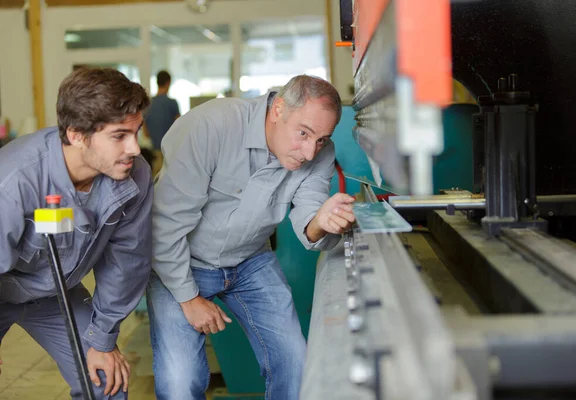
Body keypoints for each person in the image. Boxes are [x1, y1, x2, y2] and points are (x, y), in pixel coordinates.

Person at [148, 75, 356, 400]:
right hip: (180, 259)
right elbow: (166, 225)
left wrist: (324, 220)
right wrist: (189, 300)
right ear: (278, 109)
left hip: (249, 259)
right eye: (303, 133)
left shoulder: (320, 152)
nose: (310, 151)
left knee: (295, 362)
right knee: (180, 381)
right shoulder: (212, 126)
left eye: (321, 139)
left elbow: (309, 219)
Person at [0, 67, 153, 399]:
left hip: (55, 293)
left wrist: (103, 339)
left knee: (107, 383)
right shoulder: (13, 180)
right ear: (77, 135)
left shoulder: (134, 175)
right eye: (119, 136)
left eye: (137, 131)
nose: (135, 149)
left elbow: (127, 263)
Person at [143, 70, 180, 175]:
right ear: (168, 83)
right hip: (169, 154)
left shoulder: (148, 103)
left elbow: (146, 134)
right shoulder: (172, 103)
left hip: (153, 155)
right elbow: (180, 127)